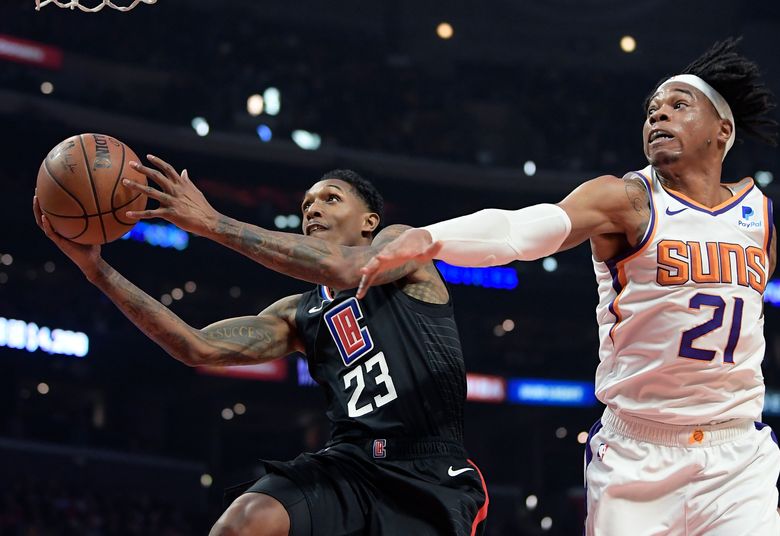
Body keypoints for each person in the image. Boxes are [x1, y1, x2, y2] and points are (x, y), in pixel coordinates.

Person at [358, 38, 779, 535]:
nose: (657, 117)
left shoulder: (760, 216)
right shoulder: (625, 199)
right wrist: (429, 237)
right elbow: (519, 230)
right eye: (651, 111)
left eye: (677, 105)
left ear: (722, 130)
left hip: (737, 454)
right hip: (638, 453)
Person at [33, 168, 488, 536]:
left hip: (427, 468)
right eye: (306, 203)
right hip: (349, 462)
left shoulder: (403, 247)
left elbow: (345, 267)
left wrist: (213, 224)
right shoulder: (298, 313)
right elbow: (197, 346)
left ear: (369, 221)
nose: (312, 208)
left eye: (330, 198)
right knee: (244, 521)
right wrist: (96, 271)